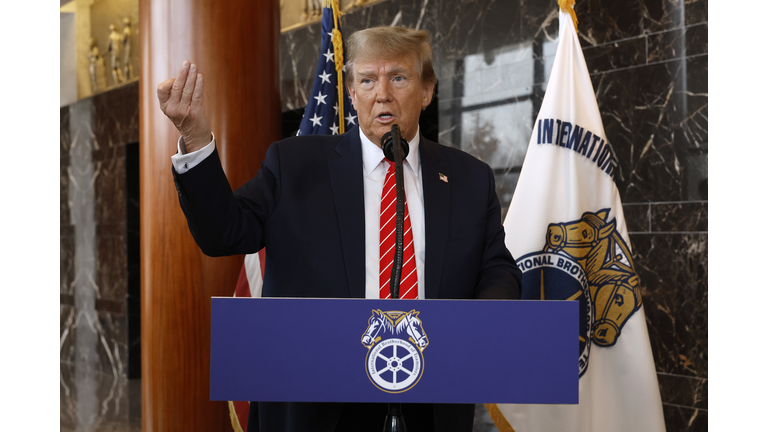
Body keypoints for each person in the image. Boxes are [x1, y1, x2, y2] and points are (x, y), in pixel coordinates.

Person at [157, 26, 522, 432]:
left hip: (429, 398)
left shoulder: (470, 178)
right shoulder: (293, 165)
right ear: (351, 93)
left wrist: (488, 322)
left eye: (398, 78)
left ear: (427, 90)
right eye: (367, 80)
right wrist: (193, 136)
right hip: (316, 402)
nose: (382, 94)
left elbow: (497, 268)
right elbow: (222, 232)